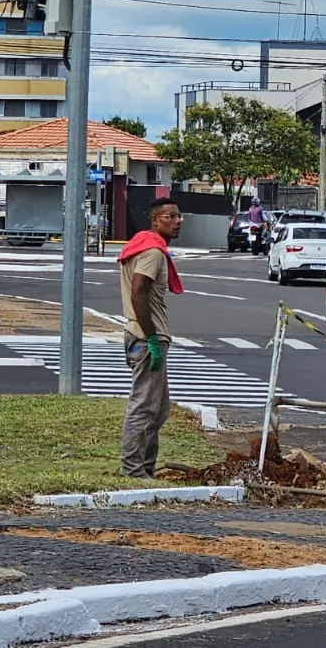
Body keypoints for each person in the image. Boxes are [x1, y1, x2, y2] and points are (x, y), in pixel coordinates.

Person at [116, 198, 185, 478]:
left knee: (158, 409)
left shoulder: (144, 245)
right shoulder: (152, 252)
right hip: (145, 338)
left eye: (179, 216)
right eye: (171, 216)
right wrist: (152, 338)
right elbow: (139, 292)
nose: (178, 221)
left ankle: (146, 467)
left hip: (144, 336)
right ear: (156, 220)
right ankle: (132, 469)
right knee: (144, 406)